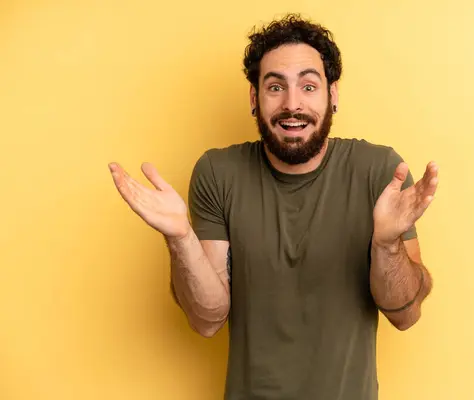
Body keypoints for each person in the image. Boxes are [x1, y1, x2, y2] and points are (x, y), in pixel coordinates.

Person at [108, 13, 439, 400]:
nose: (292, 104)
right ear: (254, 98)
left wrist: (386, 245)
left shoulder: (380, 172)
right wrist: (180, 238)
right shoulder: (219, 173)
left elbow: (406, 315)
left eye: (309, 86)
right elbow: (207, 320)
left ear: (333, 94)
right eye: (275, 86)